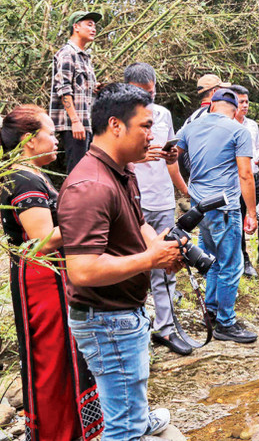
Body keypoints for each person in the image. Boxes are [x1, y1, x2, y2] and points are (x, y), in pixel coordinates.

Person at [59, 84, 182, 439]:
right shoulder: (91, 186)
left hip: (121, 312)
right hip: (107, 319)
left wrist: (158, 248)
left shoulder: (119, 170)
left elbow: (139, 223)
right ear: (115, 125)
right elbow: (82, 270)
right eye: (145, 126)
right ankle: (132, 425)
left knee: (129, 392)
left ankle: (138, 418)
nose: (152, 135)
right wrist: (149, 258)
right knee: (122, 428)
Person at [0, 105, 103, 440]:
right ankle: (58, 432)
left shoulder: (27, 174)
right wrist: (89, 218)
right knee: (53, 355)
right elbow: (42, 241)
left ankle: (67, 429)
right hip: (42, 280)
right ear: (29, 140)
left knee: (59, 353)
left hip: (42, 276)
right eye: (51, 133)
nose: (57, 139)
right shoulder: (24, 179)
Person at [176, 88, 259, 344]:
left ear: (211, 106)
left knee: (211, 260)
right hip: (225, 208)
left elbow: (169, 156)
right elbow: (245, 174)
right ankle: (225, 322)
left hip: (199, 208)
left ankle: (211, 311)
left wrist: (184, 188)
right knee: (231, 265)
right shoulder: (238, 130)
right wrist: (252, 212)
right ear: (234, 111)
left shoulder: (190, 128)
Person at [124, 62, 192, 356]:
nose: (146, 99)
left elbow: (170, 158)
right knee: (129, 266)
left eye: (150, 93)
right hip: (131, 199)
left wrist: (172, 155)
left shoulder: (163, 114)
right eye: (140, 93)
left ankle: (165, 328)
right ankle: (131, 330)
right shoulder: (115, 116)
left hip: (162, 198)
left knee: (166, 264)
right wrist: (138, 156)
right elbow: (107, 158)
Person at [49, 10, 102, 173]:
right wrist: (75, 122)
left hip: (85, 122)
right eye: (89, 24)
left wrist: (95, 87)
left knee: (85, 170)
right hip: (73, 124)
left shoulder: (84, 57)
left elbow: (80, 88)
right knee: (76, 171)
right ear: (76, 27)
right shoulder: (67, 53)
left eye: (94, 26)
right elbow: (63, 88)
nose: (93, 29)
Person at [230, 84, 259, 277]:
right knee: (238, 219)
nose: (245, 105)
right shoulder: (228, 125)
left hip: (255, 175)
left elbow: (257, 147)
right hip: (237, 179)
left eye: (247, 101)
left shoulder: (252, 125)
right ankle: (244, 259)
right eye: (241, 102)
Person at [176, 74, 231, 182]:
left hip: (197, 176)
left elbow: (176, 145)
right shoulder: (212, 115)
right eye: (222, 90)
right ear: (215, 92)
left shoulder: (193, 117)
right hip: (212, 177)